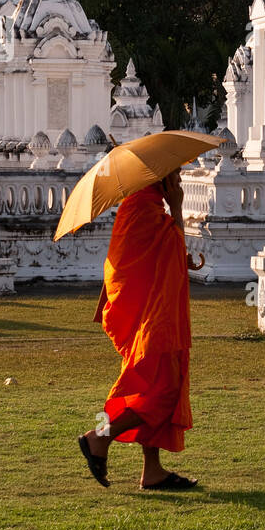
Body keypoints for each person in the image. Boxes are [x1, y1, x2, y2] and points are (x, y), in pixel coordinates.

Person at [77, 172, 197, 490]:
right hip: (154, 318)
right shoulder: (146, 210)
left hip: (148, 314)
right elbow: (172, 245)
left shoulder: (137, 206)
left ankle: (153, 470)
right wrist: (177, 207)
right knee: (163, 391)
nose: (180, 176)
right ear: (161, 176)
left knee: (148, 386)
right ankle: (99, 437)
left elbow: (163, 255)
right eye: (175, 172)